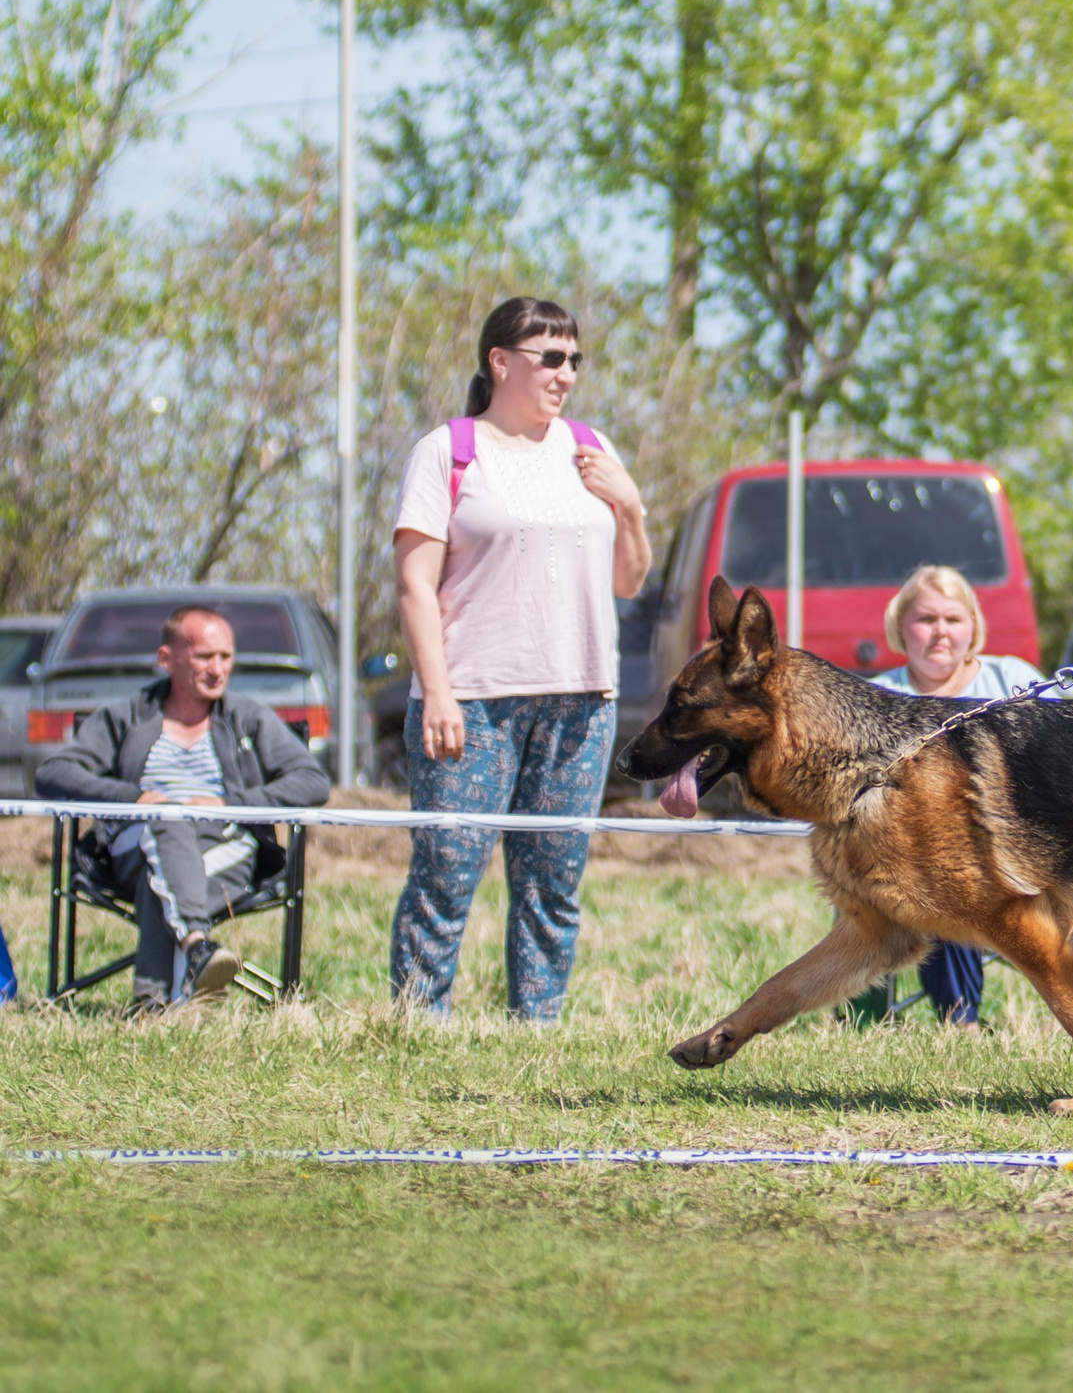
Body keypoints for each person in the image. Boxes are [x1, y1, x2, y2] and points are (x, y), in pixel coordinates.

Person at [387, 297, 651, 1022]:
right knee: (447, 871)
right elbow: (415, 582)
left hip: (581, 699)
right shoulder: (448, 450)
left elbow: (629, 581)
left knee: (553, 882)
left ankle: (535, 1030)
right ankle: (415, 1025)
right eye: (551, 358)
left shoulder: (592, 449)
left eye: (574, 359)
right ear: (501, 362)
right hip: (472, 699)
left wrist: (630, 507)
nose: (566, 374)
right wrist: (437, 691)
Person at [36, 606, 329, 1013]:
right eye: (204, 656)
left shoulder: (246, 717)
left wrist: (229, 804)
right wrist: (133, 798)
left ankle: (151, 1004)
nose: (217, 668)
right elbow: (53, 771)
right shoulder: (128, 715)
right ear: (166, 659)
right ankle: (196, 945)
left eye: (225, 657)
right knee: (167, 820)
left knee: (161, 881)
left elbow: (313, 782)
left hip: (226, 850)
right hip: (134, 845)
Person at [870, 565, 1073, 1028]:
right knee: (941, 883)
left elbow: (1062, 766)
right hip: (931, 860)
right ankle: (960, 1021)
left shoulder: (1013, 679)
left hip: (1029, 849)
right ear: (901, 627)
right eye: (925, 620)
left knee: (1071, 885)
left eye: (953, 619)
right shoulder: (881, 696)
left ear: (973, 628)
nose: (940, 632)